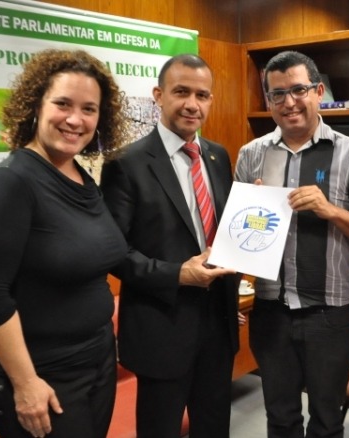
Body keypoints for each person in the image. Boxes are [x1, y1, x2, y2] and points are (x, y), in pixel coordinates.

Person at [0, 49, 129, 438]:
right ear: (36, 105)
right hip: (43, 378)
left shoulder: (81, 176)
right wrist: (25, 384)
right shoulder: (8, 184)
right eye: (63, 104)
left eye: (89, 109)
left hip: (96, 362)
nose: (75, 119)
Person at [234, 50, 349, 438]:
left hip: (329, 313)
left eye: (298, 90)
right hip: (271, 309)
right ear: (268, 100)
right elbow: (239, 235)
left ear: (317, 92)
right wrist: (251, 210)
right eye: (277, 94)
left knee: (327, 421)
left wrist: (330, 210)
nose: (289, 102)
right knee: (280, 417)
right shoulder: (251, 155)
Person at [99, 54, 240, 438]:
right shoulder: (125, 163)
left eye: (202, 95)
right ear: (159, 95)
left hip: (218, 324)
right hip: (162, 329)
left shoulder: (218, 156)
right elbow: (115, 253)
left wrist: (251, 215)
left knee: (215, 428)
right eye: (181, 92)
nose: (192, 104)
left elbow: (221, 233)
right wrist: (178, 274)